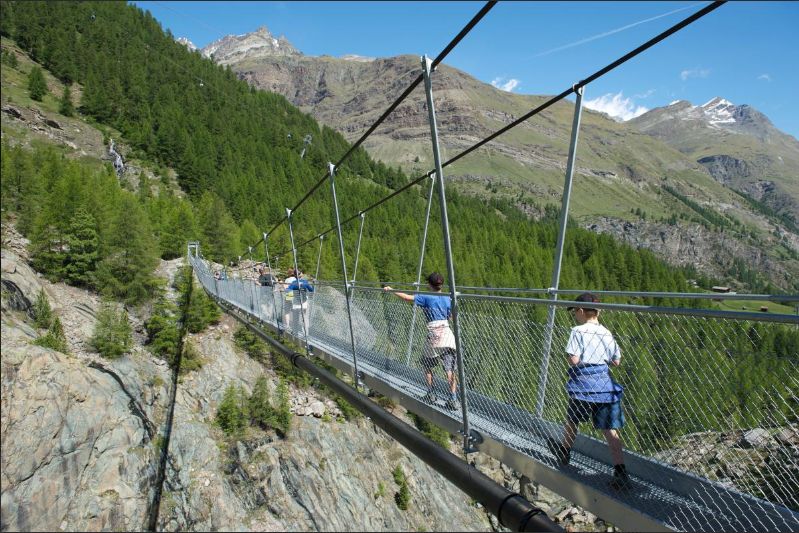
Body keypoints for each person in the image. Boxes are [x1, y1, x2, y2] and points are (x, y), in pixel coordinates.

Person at [547, 292, 629, 490]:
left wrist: (582, 362)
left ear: (582, 311)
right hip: (603, 384)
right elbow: (616, 361)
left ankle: (565, 452)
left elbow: (574, 359)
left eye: (575, 311)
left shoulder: (578, 330)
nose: (575, 314)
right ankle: (620, 470)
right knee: (610, 428)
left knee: (573, 420)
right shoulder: (606, 332)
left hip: (583, 384)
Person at [384, 273, 459, 410]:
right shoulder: (448, 298)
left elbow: (408, 298)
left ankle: (431, 393)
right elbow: (451, 317)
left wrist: (391, 289)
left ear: (429, 284)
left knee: (426, 364)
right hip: (448, 335)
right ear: (441, 285)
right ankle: (453, 399)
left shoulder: (426, 297)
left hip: (434, 336)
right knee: (450, 370)